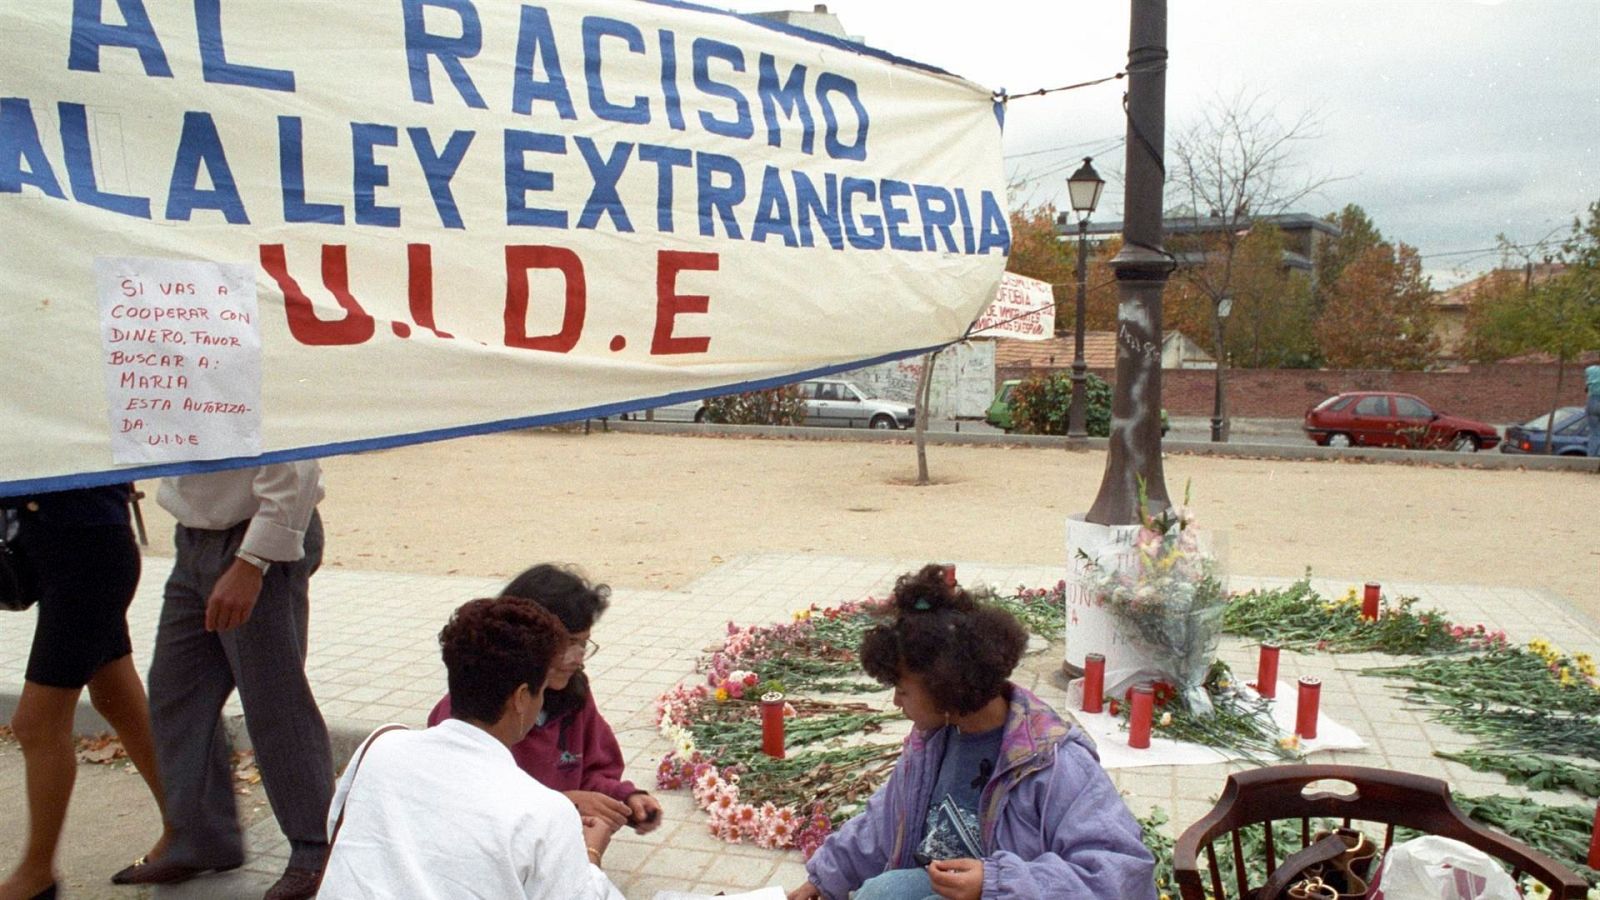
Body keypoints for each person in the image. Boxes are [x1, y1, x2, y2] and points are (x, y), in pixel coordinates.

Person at [789, 565, 1157, 900]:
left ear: (944, 686)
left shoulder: (1052, 762)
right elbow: (882, 820)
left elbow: (1120, 871)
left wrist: (996, 882)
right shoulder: (933, 742)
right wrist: (822, 880)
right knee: (881, 892)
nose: (896, 703)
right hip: (938, 886)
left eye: (902, 689)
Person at [114, 463, 332, 900]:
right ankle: (200, 838)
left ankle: (317, 850)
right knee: (176, 691)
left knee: (274, 700)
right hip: (194, 534)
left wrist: (253, 561)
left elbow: (296, 462)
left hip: (256, 536)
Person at [318, 596, 624, 900]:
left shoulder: (380, 746)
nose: (542, 700)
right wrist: (590, 853)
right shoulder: (545, 813)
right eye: (541, 690)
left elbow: (342, 835)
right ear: (520, 698)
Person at [0, 486, 171, 900]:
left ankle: (36, 874)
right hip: (55, 549)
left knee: (36, 724)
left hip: (86, 553)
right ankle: (190, 827)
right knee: (117, 696)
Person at [426, 564, 663, 835]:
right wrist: (565, 804)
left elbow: (592, 772)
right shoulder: (472, 712)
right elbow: (466, 807)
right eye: (567, 643)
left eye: (584, 644)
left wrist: (624, 799)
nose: (577, 657)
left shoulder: (574, 695)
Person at [1586, 364, 1600, 458]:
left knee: (1594, 432)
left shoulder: (1591, 369)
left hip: (1592, 401)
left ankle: (1591, 458)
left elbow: (1586, 388)